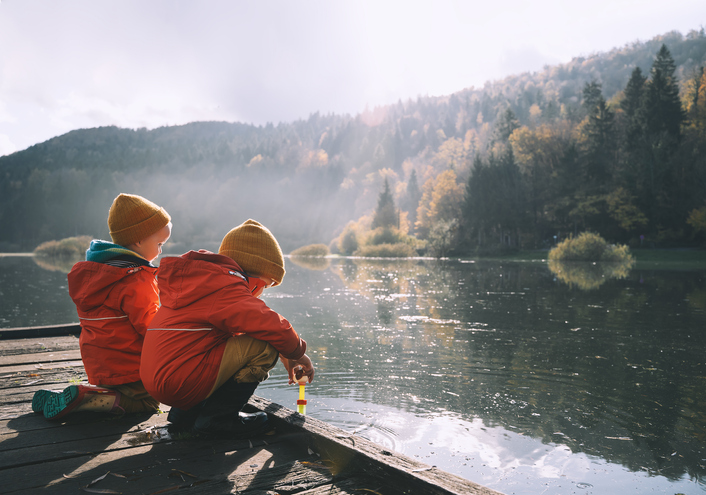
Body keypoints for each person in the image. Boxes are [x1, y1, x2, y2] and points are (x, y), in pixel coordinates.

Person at [139, 219, 315, 437]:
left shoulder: (203, 283)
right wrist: (298, 353)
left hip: (160, 379)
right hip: (179, 382)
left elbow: (245, 330)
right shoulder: (226, 288)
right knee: (263, 348)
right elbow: (270, 324)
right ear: (251, 276)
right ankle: (218, 419)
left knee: (226, 344)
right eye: (265, 285)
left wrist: (286, 352)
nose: (261, 294)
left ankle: (185, 415)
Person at [32, 193, 172, 420]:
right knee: (149, 403)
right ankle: (87, 399)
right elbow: (150, 326)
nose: (161, 251)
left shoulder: (96, 272)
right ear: (138, 240)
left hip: (100, 368)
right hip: (130, 367)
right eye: (159, 244)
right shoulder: (136, 278)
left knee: (118, 390)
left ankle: (73, 395)